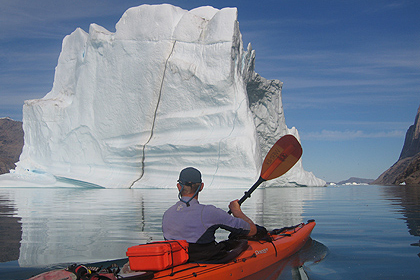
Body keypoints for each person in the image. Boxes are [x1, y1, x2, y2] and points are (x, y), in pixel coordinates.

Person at [162, 167, 257, 263]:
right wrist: (237, 211)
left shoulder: (167, 214)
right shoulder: (210, 212)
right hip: (206, 260)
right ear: (201, 187)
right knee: (241, 243)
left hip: (177, 263)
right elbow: (252, 231)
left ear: (178, 186)